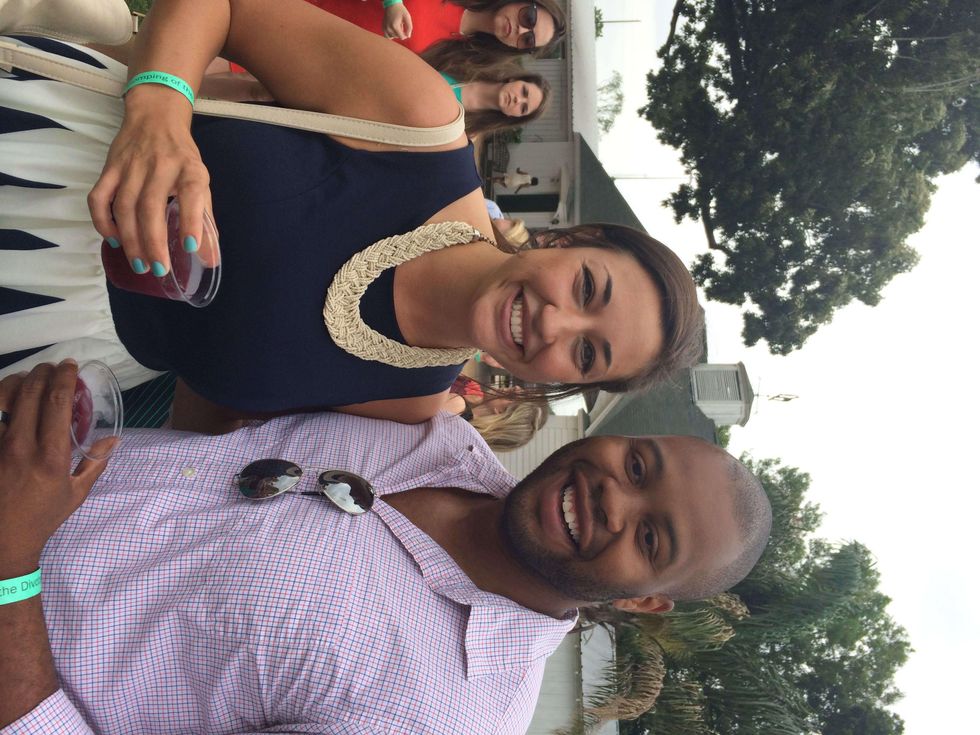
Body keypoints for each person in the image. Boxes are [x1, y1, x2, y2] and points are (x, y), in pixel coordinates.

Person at [0, 1, 703, 434]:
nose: (555, 323)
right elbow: (231, 7)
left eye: (586, 353)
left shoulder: (409, 407)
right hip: (41, 152)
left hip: (33, 347)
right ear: (571, 239)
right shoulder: (423, 128)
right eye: (587, 289)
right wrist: (160, 111)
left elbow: (209, 426)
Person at [0, 360, 773, 733]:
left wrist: (12, 567)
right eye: (638, 465)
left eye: (649, 535)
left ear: (643, 599)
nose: (615, 494)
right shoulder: (431, 431)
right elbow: (211, 435)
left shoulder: (445, 715)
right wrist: (63, 430)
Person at [198, 61, 551, 140]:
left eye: (523, 107)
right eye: (523, 92)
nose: (516, 100)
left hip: (360, 117)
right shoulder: (462, 60)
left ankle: (195, 104)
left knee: (267, 105)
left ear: (513, 118)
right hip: (358, 75)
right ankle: (188, 78)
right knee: (260, 84)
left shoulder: (466, 132)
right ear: (515, 79)